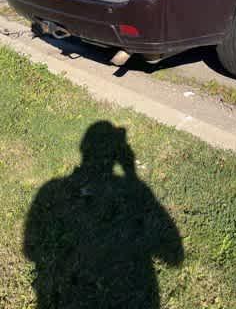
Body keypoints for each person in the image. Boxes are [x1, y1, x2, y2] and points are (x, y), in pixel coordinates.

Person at [23, 121, 184, 308]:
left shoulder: (51, 190)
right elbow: (174, 255)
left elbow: (31, 248)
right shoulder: (130, 191)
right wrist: (131, 174)